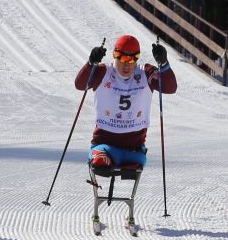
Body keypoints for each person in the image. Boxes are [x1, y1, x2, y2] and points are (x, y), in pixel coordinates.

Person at [72, 34, 176, 173]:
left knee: (136, 163)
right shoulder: (104, 71)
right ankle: (102, 158)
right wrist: (91, 63)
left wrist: (163, 63)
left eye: (133, 58)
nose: (127, 64)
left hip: (134, 149)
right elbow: (80, 85)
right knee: (100, 161)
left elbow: (170, 88)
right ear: (115, 55)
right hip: (105, 147)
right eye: (122, 57)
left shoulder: (145, 72)